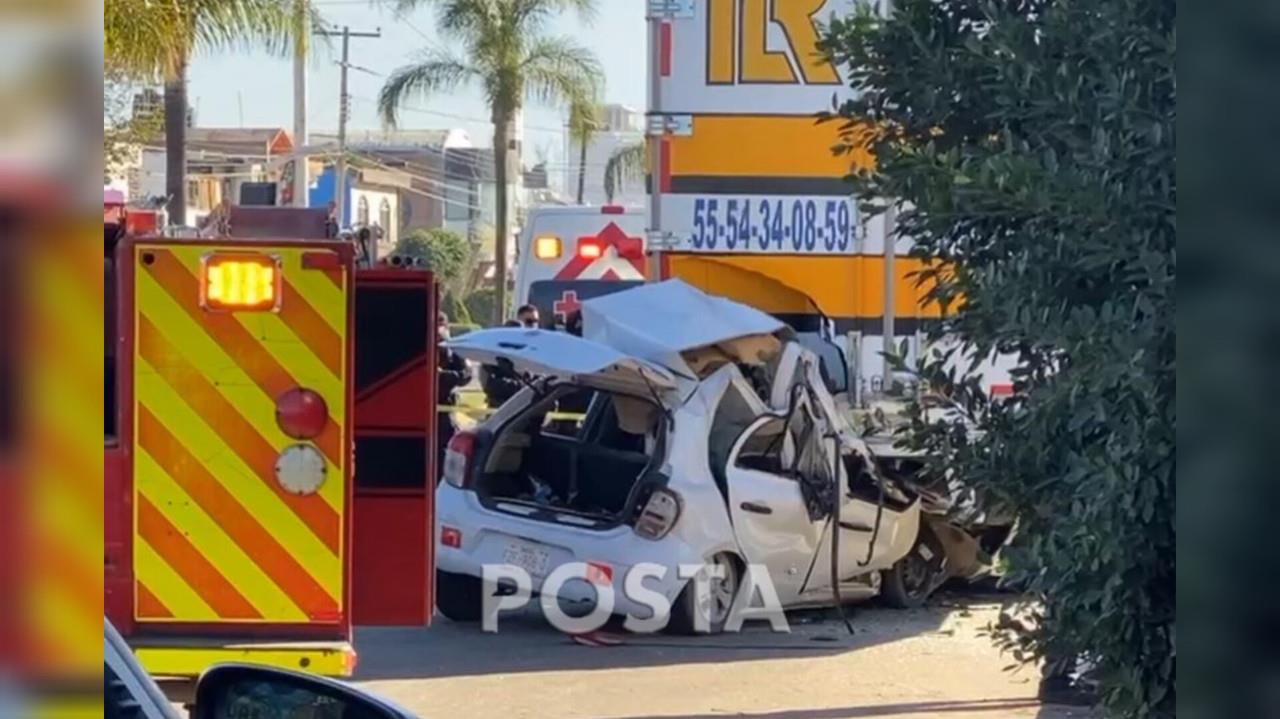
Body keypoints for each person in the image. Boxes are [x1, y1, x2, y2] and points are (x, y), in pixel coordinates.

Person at [436, 312, 472, 483]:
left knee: (444, 449)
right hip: (420, 409)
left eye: (442, 323)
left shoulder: (454, 349)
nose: (439, 327)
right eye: (436, 323)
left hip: (444, 409)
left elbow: (466, 374)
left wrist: (445, 376)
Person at [481, 319, 525, 409]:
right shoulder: (493, 356)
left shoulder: (527, 356)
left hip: (522, 409)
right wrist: (516, 386)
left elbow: (531, 384)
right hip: (498, 408)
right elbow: (489, 384)